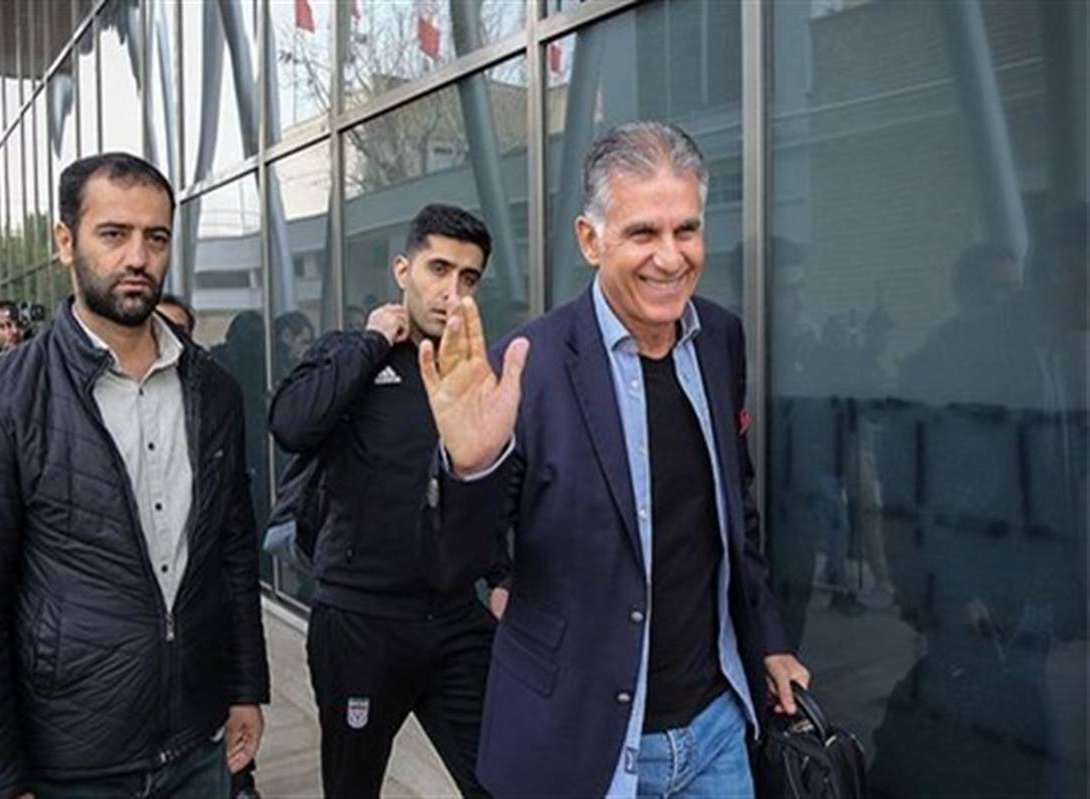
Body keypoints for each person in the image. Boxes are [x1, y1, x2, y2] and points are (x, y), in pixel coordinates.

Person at [415, 122, 810, 797]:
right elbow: (451, 567)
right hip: (581, 745)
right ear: (590, 239)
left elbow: (732, 507)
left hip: (717, 728)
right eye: (643, 233)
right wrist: (473, 468)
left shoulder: (719, 338)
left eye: (686, 230)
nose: (671, 257)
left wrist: (767, 637)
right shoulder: (526, 365)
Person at [0, 152, 270, 799]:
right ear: (66, 241)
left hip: (198, 743)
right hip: (71, 761)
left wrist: (246, 687)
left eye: (156, 237)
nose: (138, 256)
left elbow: (232, 554)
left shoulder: (214, 390)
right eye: (114, 234)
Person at [268, 204, 508, 798]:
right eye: (438, 269)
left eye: (469, 278)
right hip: (360, 622)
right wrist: (373, 340)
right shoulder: (353, 351)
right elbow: (292, 424)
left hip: (454, 619)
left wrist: (504, 573)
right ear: (403, 270)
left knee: (504, 782)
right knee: (352, 787)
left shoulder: (477, 370)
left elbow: (495, 482)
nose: (452, 292)